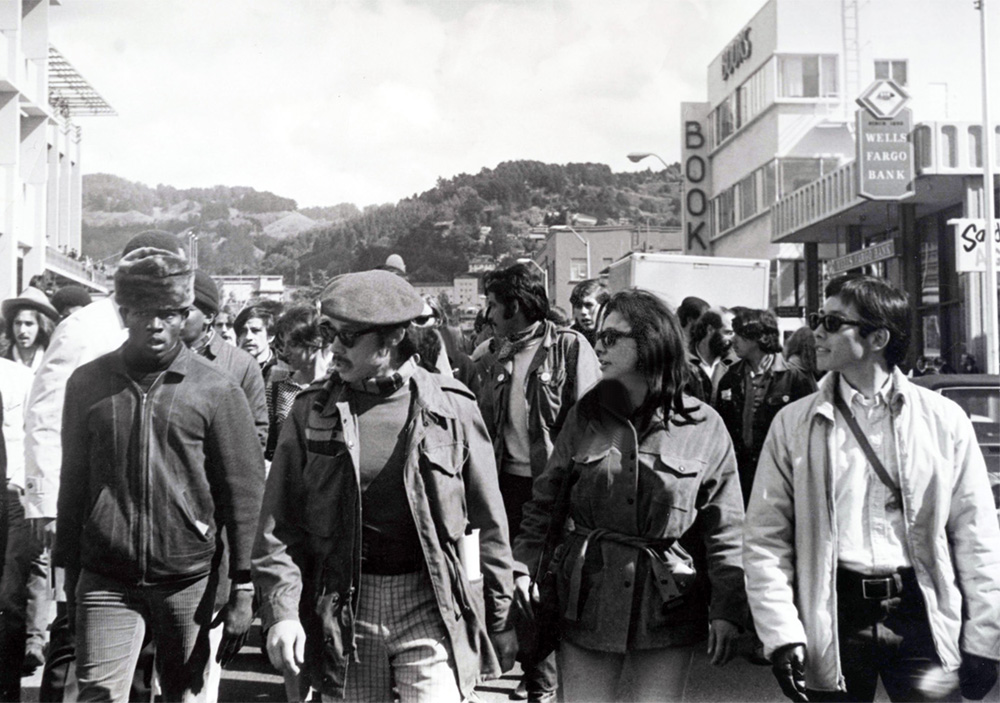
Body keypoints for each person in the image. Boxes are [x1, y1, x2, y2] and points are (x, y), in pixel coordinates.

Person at [252, 270, 517, 702]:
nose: (333, 346)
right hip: (343, 609)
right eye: (328, 332)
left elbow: (488, 523)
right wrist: (282, 612)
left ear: (392, 338)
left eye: (348, 336)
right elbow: (278, 526)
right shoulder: (309, 412)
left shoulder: (453, 408)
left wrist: (500, 617)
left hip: (431, 602)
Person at [743, 274, 1000, 703]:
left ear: (878, 337)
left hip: (921, 613)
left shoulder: (944, 420)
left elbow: (976, 535)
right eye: (815, 318)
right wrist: (782, 634)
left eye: (831, 321)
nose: (816, 331)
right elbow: (766, 539)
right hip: (835, 615)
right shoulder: (793, 424)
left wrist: (984, 637)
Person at [52, 243, 265, 701]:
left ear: (186, 312)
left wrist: (244, 585)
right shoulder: (87, 384)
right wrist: (69, 574)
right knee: (96, 695)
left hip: (188, 578)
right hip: (106, 577)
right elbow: (73, 482)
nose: (155, 324)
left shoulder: (217, 389)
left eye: (169, 313)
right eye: (142, 311)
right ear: (123, 311)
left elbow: (244, 494)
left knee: (184, 694)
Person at [513, 289, 747, 702]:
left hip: (668, 604)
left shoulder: (703, 425)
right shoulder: (587, 415)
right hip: (587, 600)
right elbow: (544, 506)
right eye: (598, 336)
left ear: (650, 341)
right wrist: (522, 572)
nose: (597, 345)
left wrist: (727, 608)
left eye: (611, 337)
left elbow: (726, 528)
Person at [22, 231, 181, 701]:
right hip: (86, 516)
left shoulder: (162, 328)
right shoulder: (86, 327)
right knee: (75, 643)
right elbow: (44, 415)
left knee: (138, 656)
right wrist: (46, 508)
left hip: (147, 525)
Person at [475, 263, 601, 703]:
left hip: (557, 492)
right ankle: (540, 682)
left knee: (553, 587)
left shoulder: (569, 348)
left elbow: (593, 423)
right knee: (517, 585)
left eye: (493, 303)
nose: (487, 312)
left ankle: (553, 680)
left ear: (515, 304)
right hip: (505, 488)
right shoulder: (492, 354)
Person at [182, 270, 269, 703]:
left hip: (211, 526)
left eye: (187, 308)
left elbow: (255, 441)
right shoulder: (151, 363)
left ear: (210, 315)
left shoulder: (239, 367)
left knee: (198, 669)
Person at [714, 308, 816, 505]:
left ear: (759, 337)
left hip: (779, 474)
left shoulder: (795, 379)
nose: (733, 340)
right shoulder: (730, 378)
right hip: (738, 474)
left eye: (741, 335)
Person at [0, 353, 41, 697]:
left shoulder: (20, 377)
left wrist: (37, 497)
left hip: (12, 497)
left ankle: (7, 689)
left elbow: (38, 435)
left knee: (10, 595)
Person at [263, 305, 333, 461]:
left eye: (292, 344)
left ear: (315, 342)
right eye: (283, 344)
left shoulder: (336, 386)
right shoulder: (278, 388)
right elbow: (268, 443)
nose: (285, 351)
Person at [2, 287, 58, 371]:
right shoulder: (3, 357)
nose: (22, 330)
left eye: (29, 324)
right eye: (18, 323)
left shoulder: (51, 357)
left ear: (41, 326)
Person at [688, 309, 736, 404]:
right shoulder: (682, 361)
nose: (733, 339)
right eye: (728, 333)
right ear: (710, 329)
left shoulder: (736, 365)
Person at [235, 302, 284, 383]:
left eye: (255, 331)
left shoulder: (288, 371)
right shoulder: (226, 368)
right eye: (243, 331)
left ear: (270, 336)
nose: (248, 337)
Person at [568, 279, 609, 348]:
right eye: (578, 306)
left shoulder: (613, 338)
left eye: (589, 305)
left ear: (603, 307)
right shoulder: (570, 339)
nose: (583, 312)